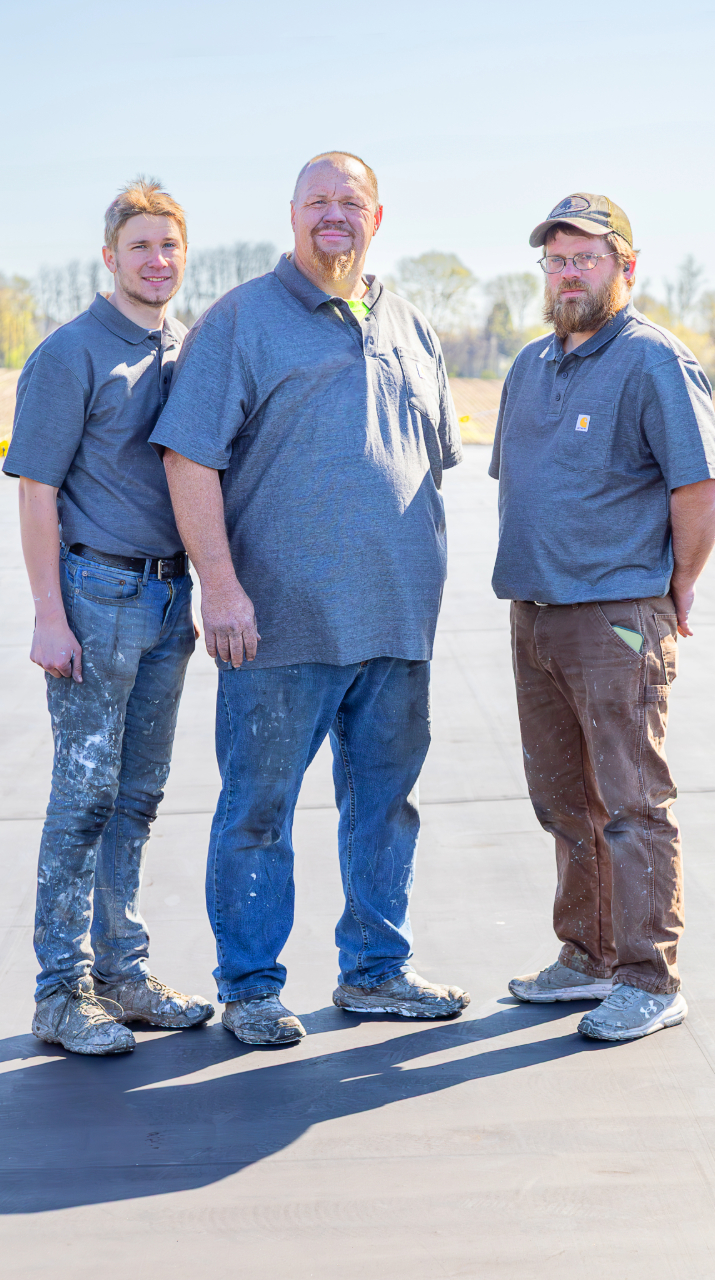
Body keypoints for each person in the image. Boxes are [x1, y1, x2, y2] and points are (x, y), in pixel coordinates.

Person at [149, 150, 470, 1045]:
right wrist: (220, 586)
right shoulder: (244, 319)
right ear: (291, 215)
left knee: (386, 805)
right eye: (318, 201)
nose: (336, 215)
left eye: (351, 202)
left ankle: (377, 970)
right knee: (259, 811)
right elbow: (189, 457)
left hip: (399, 622)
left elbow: (424, 465)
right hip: (277, 624)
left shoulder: (409, 321)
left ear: (378, 217)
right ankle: (251, 987)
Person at [490, 192, 715, 1041]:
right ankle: (585, 956)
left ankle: (649, 979)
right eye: (556, 259)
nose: (568, 273)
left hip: (618, 617)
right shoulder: (530, 365)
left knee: (631, 801)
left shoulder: (655, 361)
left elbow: (698, 487)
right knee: (563, 800)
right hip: (537, 614)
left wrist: (675, 585)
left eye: (585, 257)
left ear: (626, 264)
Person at [4, 179, 214, 1055]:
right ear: (109, 257)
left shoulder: (187, 350)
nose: (156, 261)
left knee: (139, 796)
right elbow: (36, 490)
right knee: (83, 798)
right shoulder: (71, 353)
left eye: (168, 247)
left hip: (170, 601)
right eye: (140, 247)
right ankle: (60, 991)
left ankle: (121, 974)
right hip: (97, 601)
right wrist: (49, 616)